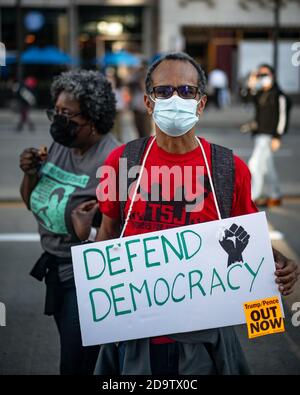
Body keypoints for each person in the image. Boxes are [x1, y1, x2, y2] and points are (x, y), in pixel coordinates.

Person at [92, 53, 299, 375]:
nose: (176, 99)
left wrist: (278, 265)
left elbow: (248, 243)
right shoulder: (122, 161)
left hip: (204, 343)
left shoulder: (230, 169)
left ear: (201, 104)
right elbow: (107, 235)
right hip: (135, 338)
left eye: (187, 91)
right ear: (148, 103)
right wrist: (96, 294)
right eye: (164, 91)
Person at [19, 70, 118, 375]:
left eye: (67, 114)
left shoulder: (114, 160)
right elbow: (34, 202)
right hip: (56, 270)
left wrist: (87, 232)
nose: (58, 121)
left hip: (89, 279)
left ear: (93, 117)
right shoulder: (59, 146)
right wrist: (31, 174)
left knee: (77, 366)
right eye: (56, 111)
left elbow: (124, 233)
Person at [244, 64, 291, 207]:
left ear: (273, 76)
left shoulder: (279, 95)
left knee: (254, 165)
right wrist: (251, 84)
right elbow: (246, 100)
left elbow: (283, 117)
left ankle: (253, 196)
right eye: (260, 75)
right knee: (267, 167)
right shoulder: (259, 93)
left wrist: (278, 136)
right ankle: (275, 195)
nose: (263, 78)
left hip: (269, 136)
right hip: (259, 134)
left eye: (265, 75)